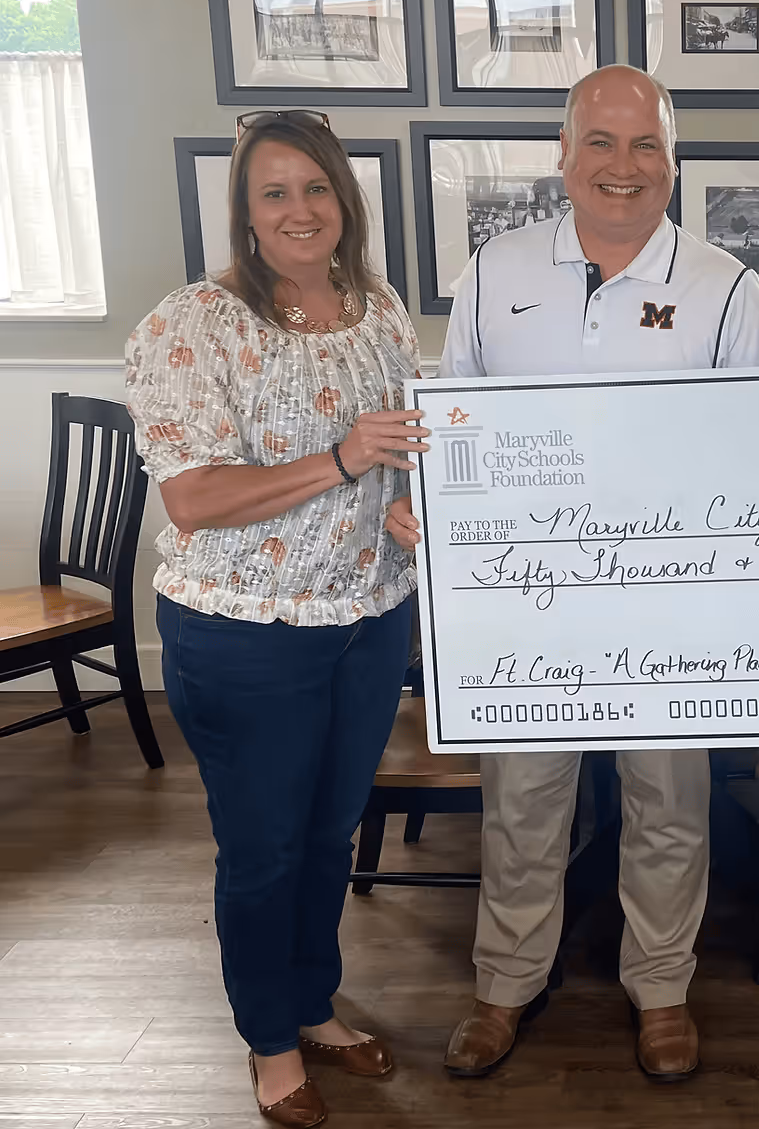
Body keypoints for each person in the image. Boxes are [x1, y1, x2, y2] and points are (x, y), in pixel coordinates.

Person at [385, 64, 759, 1084]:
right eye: (600, 143)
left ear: (673, 160)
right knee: (524, 800)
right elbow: (456, 423)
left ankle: (661, 989)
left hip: (668, 608)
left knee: (669, 801)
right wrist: (425, 505)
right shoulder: (496, 270)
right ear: (563, 157)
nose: (623, 166)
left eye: (646, 144)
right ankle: (504, 985)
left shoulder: (728, 287)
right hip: (530, 608)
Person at [124, 111, 429, 1128]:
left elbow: (399, 453)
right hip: (245, 632)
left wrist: (397, 503)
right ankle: (267, 1039)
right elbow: (196, 498)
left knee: (331, 833)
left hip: (368, 614)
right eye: (274, 191)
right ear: (245, 212)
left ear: (344, 199)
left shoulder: (378, 306)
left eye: (317, 188)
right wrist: (341, 459)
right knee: (262, 849)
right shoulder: (193, 324)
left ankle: (311, 1001)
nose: (300, 209)